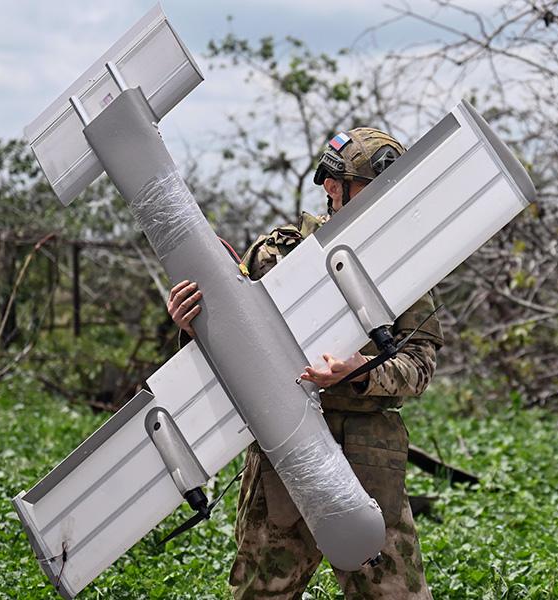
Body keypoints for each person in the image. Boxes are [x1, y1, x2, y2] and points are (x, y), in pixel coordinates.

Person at [167, 127, 443, 599]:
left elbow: (419, 368)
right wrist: (192, 326)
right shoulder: (275, 257)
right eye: (373, 186)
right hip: (283, 459)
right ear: (334, 187)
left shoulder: (403, 264)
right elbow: (220, 358)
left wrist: (360, 372)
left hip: (370, 459)